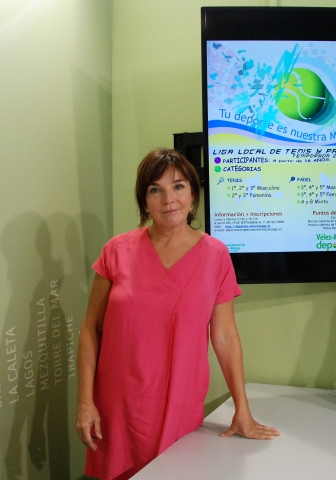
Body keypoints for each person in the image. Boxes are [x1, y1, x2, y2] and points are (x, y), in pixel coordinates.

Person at [76, 148, 279, 480]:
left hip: (179, 405)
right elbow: (90, 330)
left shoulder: (215, 255)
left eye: (178, 186)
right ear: (144, 200)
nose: (168, 199)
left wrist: (242, 409)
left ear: (193, 195)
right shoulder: (117, 251)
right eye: (155, 189)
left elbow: (225, 337)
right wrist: (85, 402)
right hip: (117, 407)